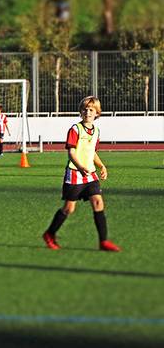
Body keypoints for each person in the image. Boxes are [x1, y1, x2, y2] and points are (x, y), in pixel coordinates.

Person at [42, 96, 120, 252]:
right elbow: (71, 152)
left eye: (91, 110)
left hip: (90, 174)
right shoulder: (75, 129)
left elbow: (92, 153)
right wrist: (80, 166)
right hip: (75, 173)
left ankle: (103, 241)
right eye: (85, 109)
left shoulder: (96, 131)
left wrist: (102, 166)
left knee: (98, 202)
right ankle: (49, 234)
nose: (88, 112)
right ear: (80, 112)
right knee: (69, 208)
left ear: (97, 113)